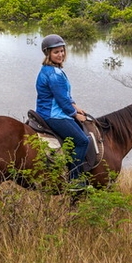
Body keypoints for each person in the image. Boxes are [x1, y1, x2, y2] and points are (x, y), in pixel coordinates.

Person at [35, 34, 90, 183]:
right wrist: (74, 114)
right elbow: (61, 100)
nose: (60, 55)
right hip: (54, 115)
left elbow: (64, 95)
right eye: (56, 52)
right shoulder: (54, 74)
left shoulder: (49, 69)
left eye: (62, 51)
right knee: (83, 141)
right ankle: (75, 178)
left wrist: (75, 105)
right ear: (48, 54)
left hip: (47, 110)